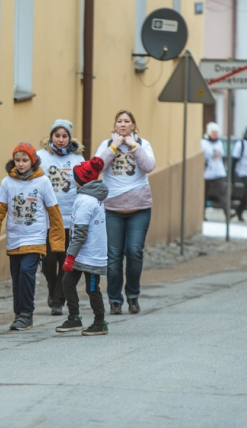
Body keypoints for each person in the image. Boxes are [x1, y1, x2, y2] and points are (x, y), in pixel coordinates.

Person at [0, 142, 65, 330]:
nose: (21, 164)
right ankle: (18, 313)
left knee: (26, 273)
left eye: (25, 160)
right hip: (15, 238)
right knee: (16, 277)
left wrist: (56, 242)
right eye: (17, 160)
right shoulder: (7, 182)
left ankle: (27, 313)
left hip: (35, 237)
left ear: (33, 161)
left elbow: (54, 213)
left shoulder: (43, 181)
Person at [94, 110, 156, 315]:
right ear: (114, 125)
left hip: (139, 208)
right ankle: (114, 299)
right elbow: (96, 168)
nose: (122, 124)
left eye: (127, 121)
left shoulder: (142, 144)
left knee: (134, 252)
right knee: (113, 256)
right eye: (119, 121)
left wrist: (134, 146)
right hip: (112, 209)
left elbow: (149, 166)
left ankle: (133, 296)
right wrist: (113, 147)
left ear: (133, 126)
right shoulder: (106, 145)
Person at [56, 156, 109, 336]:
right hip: (81, 253)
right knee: (67, 283)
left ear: (80, 179)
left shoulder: (86, 201)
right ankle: (74, 318)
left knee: (92, 288)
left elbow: (80, 232)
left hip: (90, 255)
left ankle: (100, 322)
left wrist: (69, 257)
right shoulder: (90, 197)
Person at [37, 119, 85, 316]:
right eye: (57, 136)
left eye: (64, 136)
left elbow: (84, 184)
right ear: (51, 137)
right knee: (48, 261)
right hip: (48, 220)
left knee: (66, 261)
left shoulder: (77, 159)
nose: (60, 140)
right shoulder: (40, 157)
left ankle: (58, 300)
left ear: (70, 137)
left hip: (70, 218)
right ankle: (52, 286)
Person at [201, 122, 229, 220]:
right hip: (207, 172)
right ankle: (202, 214)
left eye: (216, 132)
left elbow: (222, 156)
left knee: (222, 193)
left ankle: (227, 213)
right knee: (204, 194)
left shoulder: (219, 143)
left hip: (218, 171)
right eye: (213, 132)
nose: (215, 134)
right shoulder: (203, 143)